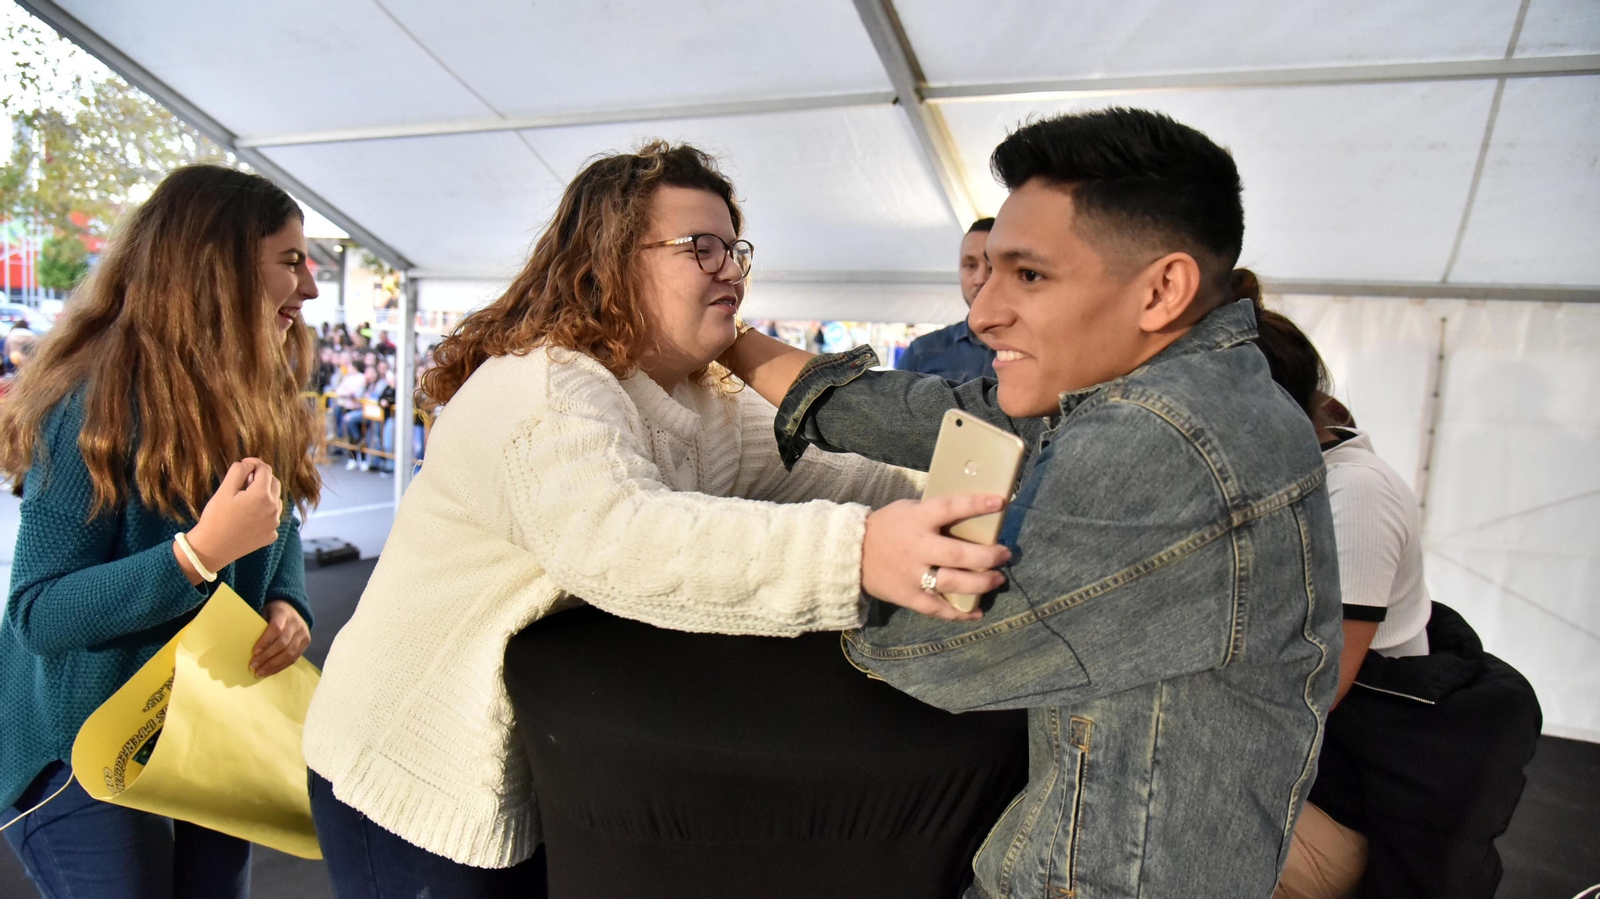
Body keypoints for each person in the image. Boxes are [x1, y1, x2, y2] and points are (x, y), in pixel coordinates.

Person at [301, 141, 1004, 898]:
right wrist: (861, 553)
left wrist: (968, 492)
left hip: (515, 760)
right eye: (699, 248)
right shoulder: (544, 389)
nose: (730, 268)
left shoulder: (701, 400)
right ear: (607, 261)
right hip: (405, 765)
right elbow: (626, 540)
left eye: (734, 248)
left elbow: (840, 475)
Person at [721, 108, 1342, 898]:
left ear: (1162, 289)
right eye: (987, 273)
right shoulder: (1196, 386)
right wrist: (732, 342)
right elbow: (945, 412)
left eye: (1030, 275)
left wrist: (830, 552)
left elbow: (927, 650)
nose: (981, 313)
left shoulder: (1161, 441)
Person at [0, 165, 321, 899]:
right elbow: (38, 613)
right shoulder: (92, 404)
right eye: (290, 260)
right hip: (78, 751)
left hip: (203, 729)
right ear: (215, 270)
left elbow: (273, 524)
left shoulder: (251, 385)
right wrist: (197, 553)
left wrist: (288, 602)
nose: (307, 288)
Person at [1255, 309, 1540, 899]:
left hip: (1332, 804)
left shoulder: (1354, 492)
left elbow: (1317, 689)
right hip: (1301, 784)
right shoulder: (1297, 485)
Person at [897, 218, 998, 381]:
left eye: (992, 266)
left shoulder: (1042, 353)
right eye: (970, 265)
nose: (980, 279)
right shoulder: (922, 353)